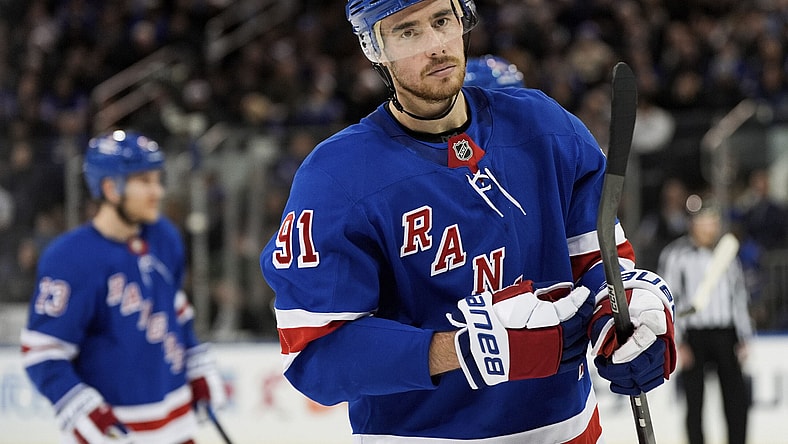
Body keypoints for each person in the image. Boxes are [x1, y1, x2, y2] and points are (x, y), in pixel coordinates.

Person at [261, 1, 676, 442]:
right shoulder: (336, 177)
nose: (437, 46)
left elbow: (600, 265)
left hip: (567, 432)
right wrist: (464, 348)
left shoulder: (544, 126)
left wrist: (629, 307)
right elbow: (316, 357)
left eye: (442, 21)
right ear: (373, 48)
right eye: (408, 33)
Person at [20, 130, 226, 444]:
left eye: (158, 180)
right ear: (110, 188)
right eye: (144, 182)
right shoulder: (69, 259)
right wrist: (85, 412)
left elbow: (175, 309)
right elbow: (43, 353)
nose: (157, 191)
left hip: (178, 426)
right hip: (119, 432)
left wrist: (195, 361)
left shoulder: (164, 237)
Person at [658, 195, 754, 444]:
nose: (710, 226)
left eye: (713, 220)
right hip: (694, 336)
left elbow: (738, 297)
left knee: (736, 401)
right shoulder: (676, 255)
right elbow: (669, 300)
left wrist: (744, 336)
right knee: (694, 402)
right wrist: (678, 341)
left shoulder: (727, 253)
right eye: (704, 220)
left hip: (725, 333)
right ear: (693, 223)